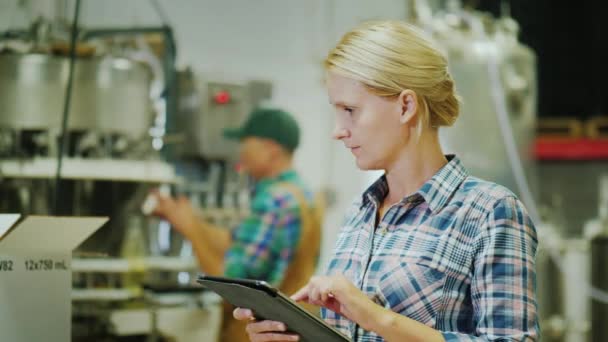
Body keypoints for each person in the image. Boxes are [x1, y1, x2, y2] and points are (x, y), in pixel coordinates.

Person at [234, 20, 539, 341]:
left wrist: (377, 317)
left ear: (406, 106)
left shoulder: (490, 212)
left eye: (350, 110)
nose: (338, 130)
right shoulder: (361, 211)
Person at [150, 108, 321, 342]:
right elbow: (236, 241)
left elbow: (233, 286)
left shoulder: (274, 201)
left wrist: (190, 229)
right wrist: (186, 219)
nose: (240, 153)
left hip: (262, 332)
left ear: (270, 148)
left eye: (245, 143)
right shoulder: (300, 193)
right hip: (288, 328)